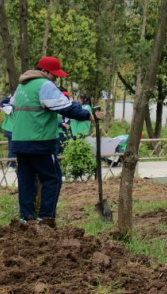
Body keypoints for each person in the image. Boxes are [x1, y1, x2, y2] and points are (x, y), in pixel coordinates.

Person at [9, 57, 103, 225]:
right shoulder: (45, 85)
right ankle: (46, 219)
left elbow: (11, 106)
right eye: (54, 75)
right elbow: (65, 108)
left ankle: (26, 218)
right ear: (44, 71)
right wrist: (89, 115)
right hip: (40, 141)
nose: (56, 79)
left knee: (26, 180)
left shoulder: (22, 86)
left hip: (20, 141)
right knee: (52, 179)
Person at [0, 94, 14, 168]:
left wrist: (8, 97)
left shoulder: (10, 107)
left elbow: (1, 104)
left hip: (10, 130)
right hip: (16, 130)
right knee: (14, 149)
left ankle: (11, 165)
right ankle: (11, 165)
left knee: (12, 148)